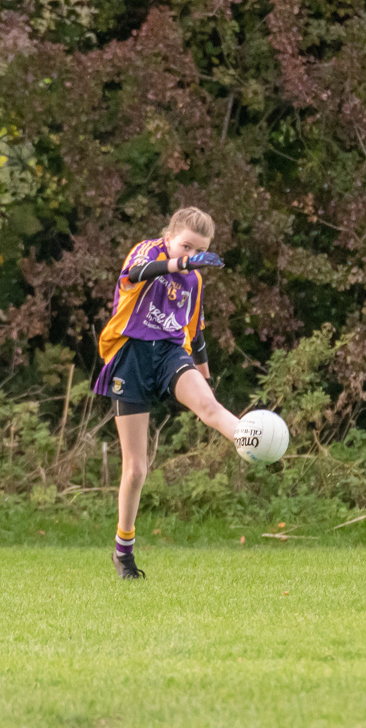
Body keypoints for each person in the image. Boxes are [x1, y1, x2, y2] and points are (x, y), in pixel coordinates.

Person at [92, 207, 239, 580]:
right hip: (132, 356)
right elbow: (136, 275)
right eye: (185, 246)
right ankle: (123, 550)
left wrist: (204, 374)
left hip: (170, 352)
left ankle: (247, 437)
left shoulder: (194, 281)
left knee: (209, 406)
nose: (191, 256)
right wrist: (180, 262)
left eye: (198, 252)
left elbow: (196, 330)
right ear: (169, 236)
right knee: (137, 468)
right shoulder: (149, 252)